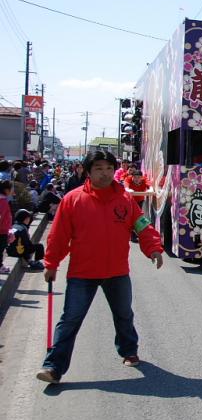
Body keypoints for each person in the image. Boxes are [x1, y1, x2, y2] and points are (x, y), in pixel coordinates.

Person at [35, 150, 164, 384]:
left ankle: (128, 350)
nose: (105, 174)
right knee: (71, 319)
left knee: (123, 314)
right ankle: (53, 366)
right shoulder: (72, 200)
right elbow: (58, 236)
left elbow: (142, 226)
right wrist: (51, 263)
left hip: (117, 271)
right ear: (87, 171)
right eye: (98, 169)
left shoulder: (125, 200)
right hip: (82, 273)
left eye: (108, 168)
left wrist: (154, 248)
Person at [0, 180, 12, 275]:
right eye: (11, 188)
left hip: (3, 229)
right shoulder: (2, 201)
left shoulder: (3, 200)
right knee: (1, 249)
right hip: (1, 230)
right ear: (6, 190)